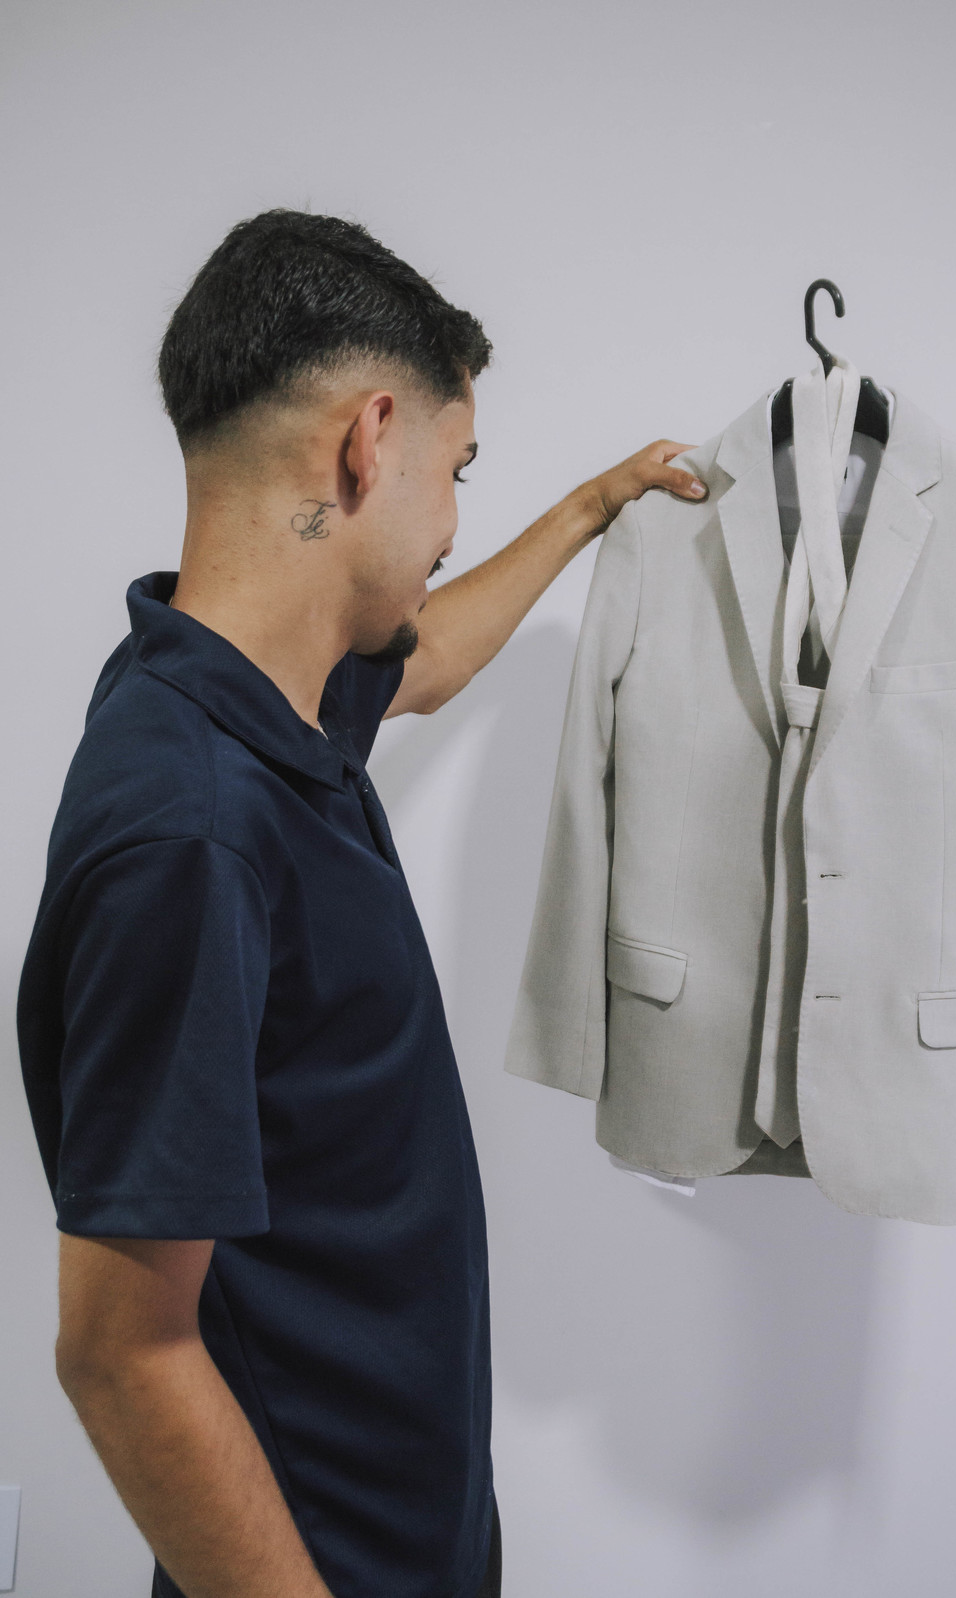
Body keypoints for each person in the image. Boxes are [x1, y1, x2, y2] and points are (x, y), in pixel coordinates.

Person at [16, 208, 708, 1598]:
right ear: (368, 441)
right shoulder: (193, 829)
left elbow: (425, 657)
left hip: (406, 1531)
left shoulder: (236, 690)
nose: (452, 522)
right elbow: (121, 1352)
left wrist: (594, 506)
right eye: (457, 472)